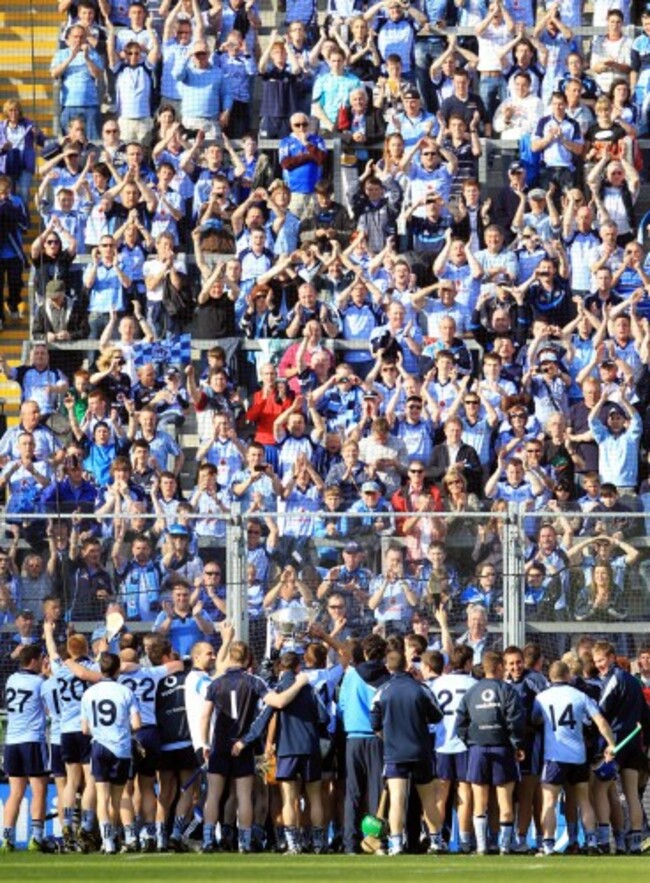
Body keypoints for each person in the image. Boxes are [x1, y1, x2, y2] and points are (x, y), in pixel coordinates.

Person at [233, 651, 330, 854]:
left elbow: (262, 720)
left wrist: (245, 741)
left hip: (287, 749)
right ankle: (319, 844)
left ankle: (294, 844)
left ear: (280, 668)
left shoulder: (277, 690)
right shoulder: (309, 689)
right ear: (298, 667)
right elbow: (324, 717)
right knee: (315, 797)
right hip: (310, 747)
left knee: (289, 798)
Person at [532, 659, 615, 856]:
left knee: (549, 801)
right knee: (584, 800)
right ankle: (592, 841)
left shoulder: (542, 697)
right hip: (578, 756)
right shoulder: (580, 696)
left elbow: (534, 719)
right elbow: (600, 721)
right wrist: (611, 743)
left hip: (554, 756)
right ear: (568, 676)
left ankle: (548, 844)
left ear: (549, 677)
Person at [370, 648, 444, 856]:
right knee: (428, 798)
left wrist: (389, 737)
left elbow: (374, 723)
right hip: (420, 750)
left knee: (397, 799)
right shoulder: (421, 688)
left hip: (395, 753)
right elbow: (437, 715)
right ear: (406, 666)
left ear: (388, 667)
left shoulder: (382, 691)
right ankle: (436, 841)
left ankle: (396, 844)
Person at [198, 640, 268, 853]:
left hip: (220, 743)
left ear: (229, 657)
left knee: (213, 795)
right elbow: (269, 706)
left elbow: (205, 715)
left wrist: (204, 743)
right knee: (244, 795)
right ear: (247, 659)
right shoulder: (254, 682)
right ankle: (244, 843)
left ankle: (209, 839)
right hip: (243, 745)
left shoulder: (216, 683)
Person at [455, 650, 526, 855]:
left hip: (478, 749)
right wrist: (517, 744)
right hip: (502, 748)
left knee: (480, 802)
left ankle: (481, 846)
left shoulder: (471, 691)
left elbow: (460, 722)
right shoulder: (507, 690)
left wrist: (470, 741)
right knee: (505, 801)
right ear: (499, 668)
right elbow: (516, 720)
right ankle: (504, 847)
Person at [80, 651, 142, 855]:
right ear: (117, 670)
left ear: (100, 669)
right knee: (118, 798)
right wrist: (122, 730)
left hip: (99, 747)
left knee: (102, 797)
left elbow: (85, 729)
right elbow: (136, 724)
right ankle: (121, 836)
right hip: (121, 749)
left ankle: (108, 842)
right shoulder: (125, 692)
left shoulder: (89, 693)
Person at [0, 644, 56, 853]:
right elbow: (51, 710)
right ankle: (37, 837)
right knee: (39, 791)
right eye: (41, 659)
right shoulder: (40, 683)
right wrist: (49, 676)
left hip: (12, 742)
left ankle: (7, 839)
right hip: (32, 741)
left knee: (15, 793)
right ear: (34, 661)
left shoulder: (11, 679)